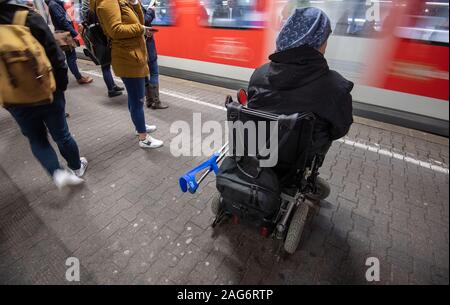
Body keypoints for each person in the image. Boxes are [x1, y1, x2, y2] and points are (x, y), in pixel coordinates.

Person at [247, 7, 353, 167]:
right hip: (295, 165)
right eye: (326, 38)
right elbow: (339, 130)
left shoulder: (259, 74)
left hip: (255, 154)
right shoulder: (336, 86)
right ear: (318, 42)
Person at [0, 0, 88, 189]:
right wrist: (61, 87)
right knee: (62, 135)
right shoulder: (27, 17)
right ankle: (76, 167)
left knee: (37, 139)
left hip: (14, 99)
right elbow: (57, 58)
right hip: (47, 91)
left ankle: (56, 172)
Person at [92, 0, 164, 149]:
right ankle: (143, 138)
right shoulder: (107, 3)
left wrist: (135, 3)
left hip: (133, 55)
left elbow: (139, 21)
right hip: (127, 58)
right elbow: (115, 30)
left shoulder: (120, 2)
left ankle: (140, 126)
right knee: (137, 100)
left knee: (134, 98)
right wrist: (141, 29)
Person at [80, 0, 124, 98]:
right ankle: (111, 90)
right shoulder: (96, 8)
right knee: (105, 65)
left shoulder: (87, 7)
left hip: (97, 36)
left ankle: (113, 85)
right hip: (99, 37)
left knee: (106, 64)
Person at [44, 0, 93, 85]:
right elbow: (62, 20)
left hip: (64, 32)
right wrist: (74, 33)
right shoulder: (54, 5)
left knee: (70, 56)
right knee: (71, 57)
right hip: (65, 34)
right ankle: (79, 78)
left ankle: (79, 77)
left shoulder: (54, 4)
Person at [142, 3, 168, 109]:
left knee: (144, 74)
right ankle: (156, 102)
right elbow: (144, 21)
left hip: (140, 45)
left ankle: (149, 100)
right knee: (154, 72)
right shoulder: (133, 5)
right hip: (146, 45)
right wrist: (151, 10)